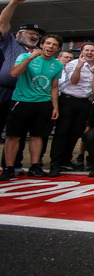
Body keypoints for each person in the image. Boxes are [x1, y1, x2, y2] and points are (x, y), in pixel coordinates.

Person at [1, 34, 63, 179]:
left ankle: (35, 166)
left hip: (43, 103)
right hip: (22, 101)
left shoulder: (57, 64)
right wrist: (30, 58)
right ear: (41, 45)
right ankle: (9, 168)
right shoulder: (25, 56)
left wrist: (55, 107)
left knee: (37, 136)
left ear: (58, 49)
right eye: (48, 43)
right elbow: (14, 73)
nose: (50, 47)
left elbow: (54, 87)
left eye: (54, 45)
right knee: (14, 136)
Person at [48, 43, 94, 176]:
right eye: (87, 50)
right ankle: (55, 162)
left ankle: (66, 160)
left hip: (84, 103)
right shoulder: (73, 64)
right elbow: (74, 81)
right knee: (62, 132)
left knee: (75, 133)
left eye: (92, 51)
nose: (89, 52)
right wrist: (79, 67)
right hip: (68, 101)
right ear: (82, 51)